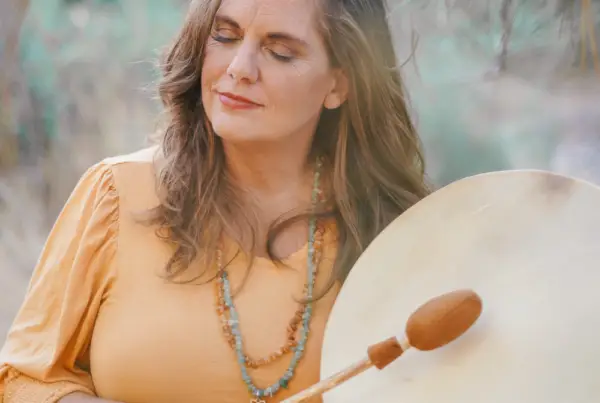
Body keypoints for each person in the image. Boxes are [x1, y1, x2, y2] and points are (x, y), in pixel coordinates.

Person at [0, 0, 429, 401]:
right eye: (224, 36)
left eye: (279, 52)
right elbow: (23, 379)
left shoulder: (400, 233)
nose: (240, 68)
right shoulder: (116, 193)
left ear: (339, 84)